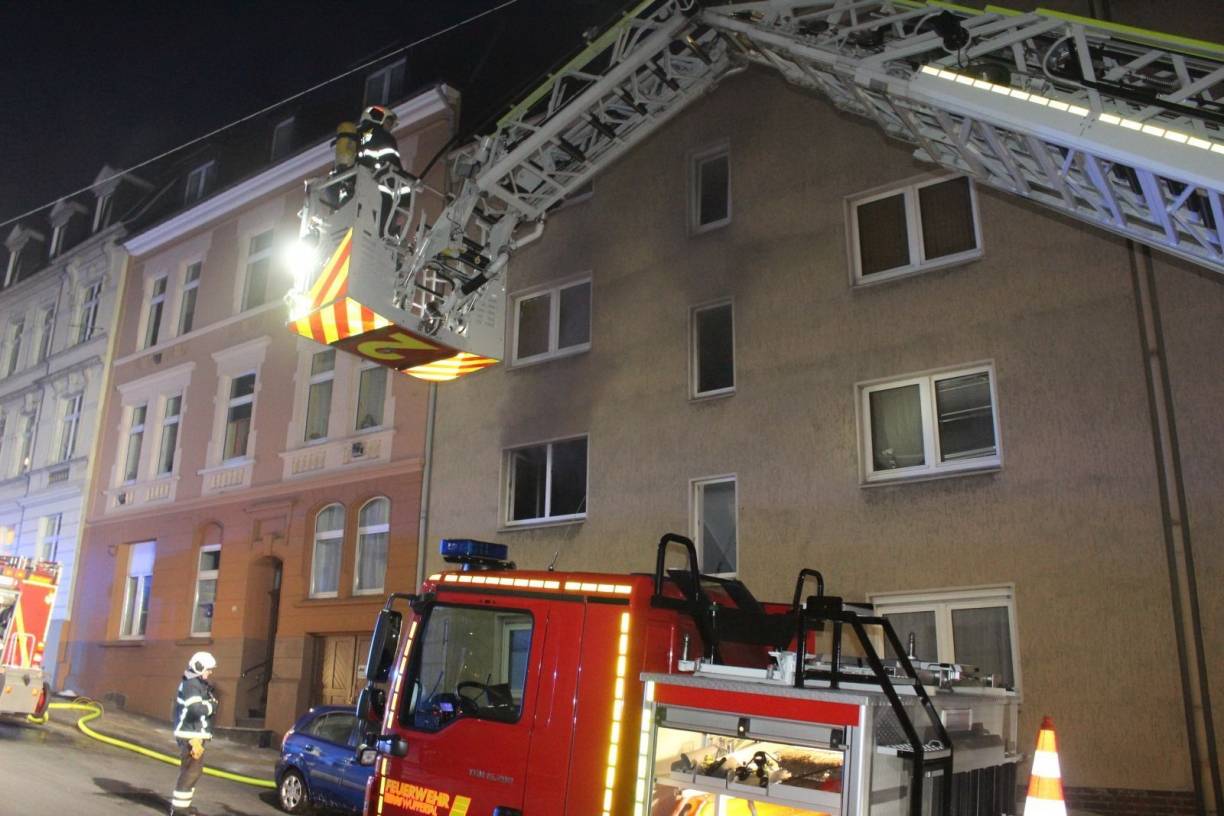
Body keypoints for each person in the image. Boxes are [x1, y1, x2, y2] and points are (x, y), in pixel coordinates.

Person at [169, 651, 218, 816]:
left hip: (195, 734)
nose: (209, 672)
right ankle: (179, 810)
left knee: (193, 771)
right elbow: (196, 709)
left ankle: (184, 806)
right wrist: (212, 706)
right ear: (199, 667)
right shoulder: (191, 685)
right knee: (191, 771)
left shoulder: (198, 684)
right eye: (208, 669)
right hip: (191, 735)